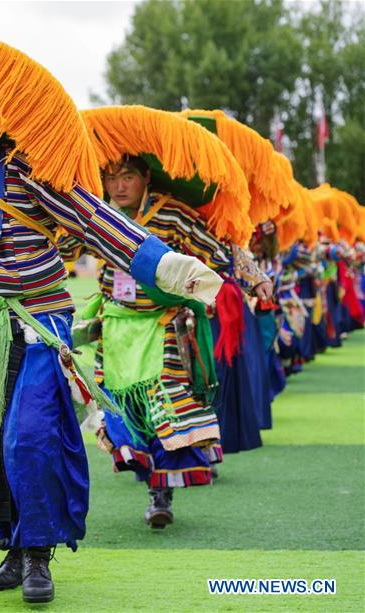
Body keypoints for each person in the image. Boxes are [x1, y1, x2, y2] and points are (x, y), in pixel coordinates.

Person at [0, 101, 222, 604]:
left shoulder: (31, 172)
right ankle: (11, 548)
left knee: (32, 437)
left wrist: (166, 266)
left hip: (38, 325)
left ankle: (39, 555)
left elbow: (94, 219)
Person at [92, 155, 270, 528]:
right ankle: (149, 481)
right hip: (115, 331)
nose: (118, 186)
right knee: (127, 414)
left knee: (166, 411)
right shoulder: (97, 215)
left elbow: (218, 249)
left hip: (164, 327)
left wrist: (254, 278)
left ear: (145, 178)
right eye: (110, 178)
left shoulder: (172, 214)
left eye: (127, 177)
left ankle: (161, 495)